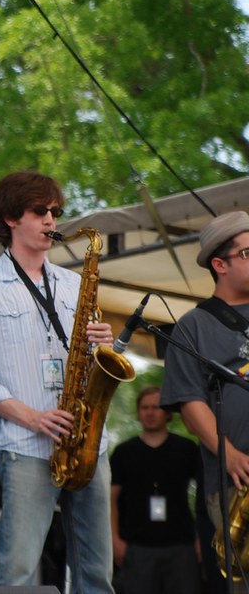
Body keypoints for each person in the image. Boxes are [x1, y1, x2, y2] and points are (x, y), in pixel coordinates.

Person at [0, 170, 116, 592]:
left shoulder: (74, 283)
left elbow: (95, 362)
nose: (51, 221)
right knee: (18, 572)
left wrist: (104, 344)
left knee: (97, 573)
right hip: (24, 446)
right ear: (10, 218)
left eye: (55, 212)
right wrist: (34, 418)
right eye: (39, 211)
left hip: (86, 441)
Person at [160, 209, 249, 587]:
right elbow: (190, 403)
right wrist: (229, 453)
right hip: (237, 482)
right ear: (219, 264)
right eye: (248, 252)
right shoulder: (192, 326)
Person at [109, 386, 200, 594]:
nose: (150, 412)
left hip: (181, 546)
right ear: (138, 412)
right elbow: (111, 500)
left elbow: (204, 495)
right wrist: (115, 540)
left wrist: (201, 539)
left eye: (156, 407)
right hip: (137, 546)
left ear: (168, 412)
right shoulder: (124, 452)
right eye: (144, 407)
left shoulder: (186, 449)